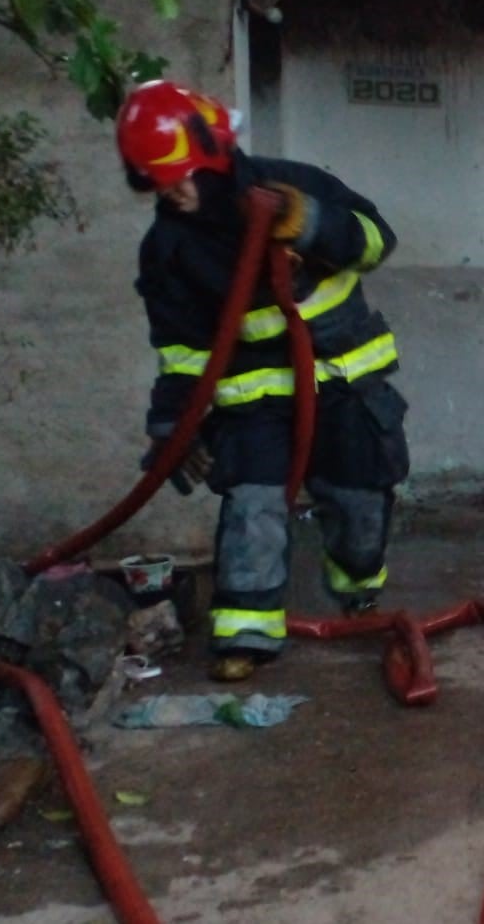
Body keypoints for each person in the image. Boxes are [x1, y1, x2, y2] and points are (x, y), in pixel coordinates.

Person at [116, 80, 409, 682]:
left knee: (358, 501)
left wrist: (310, 226)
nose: (171, 191)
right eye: (155, 179)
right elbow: (180, 349)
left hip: (345, 381)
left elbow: (377, 239)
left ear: (217, 154)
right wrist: (172, 429)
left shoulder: (294, 185)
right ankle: (244, 635)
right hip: (256, 400)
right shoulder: (169, 246)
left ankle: (358, 587)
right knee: (252, 507)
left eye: (181, 173)